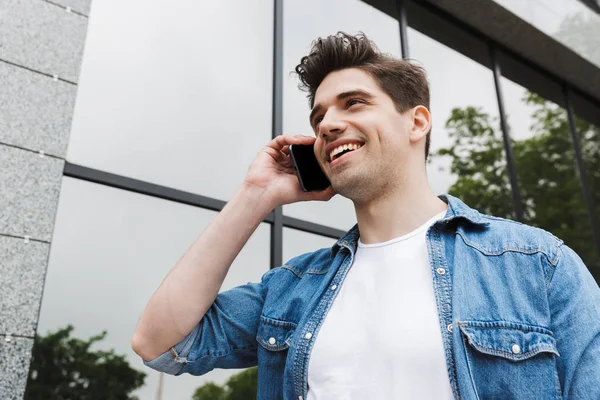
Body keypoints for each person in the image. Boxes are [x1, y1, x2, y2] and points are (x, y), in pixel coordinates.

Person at [132, 32, 600, 399]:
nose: (328, 124)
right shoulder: (293, 288)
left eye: (353, 103)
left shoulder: (535, 263)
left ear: (416, 121)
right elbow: (159, 342)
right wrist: (256, 195)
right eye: (318, 119)